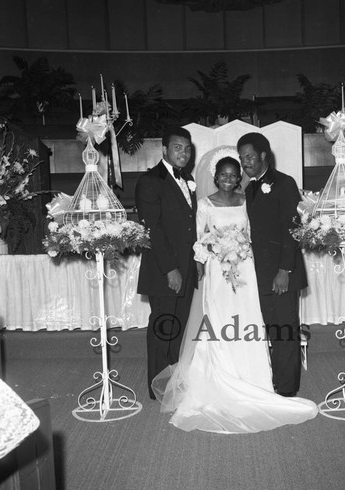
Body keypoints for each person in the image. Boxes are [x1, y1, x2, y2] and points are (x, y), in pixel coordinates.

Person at [151, 152, 318, 433]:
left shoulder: (247, 201)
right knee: (218, 322)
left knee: (249, 319)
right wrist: (205, 259)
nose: (228, 179)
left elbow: (255, 233)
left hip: (246, 269)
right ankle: (217, 378)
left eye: (233, 174)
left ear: (239, 178)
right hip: (218, 272)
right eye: (223, 174)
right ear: (215, 177)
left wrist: (241, 247)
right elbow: (198, 241)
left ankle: (255, 381)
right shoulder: (204, 204)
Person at [237, 132, 307, 397]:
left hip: (281, 273)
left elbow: (292, 229)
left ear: (264, 155)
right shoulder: (251, 186)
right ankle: (277, 380)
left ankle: (287, 390)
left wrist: (284, 270)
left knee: (285, 331)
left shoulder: (284, 183)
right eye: (242, 158)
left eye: (250, 156)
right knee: (273, 330)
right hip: (261, 273)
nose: (245, 162)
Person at [135, 126, 197, 399]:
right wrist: (171, 269)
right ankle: (157, 388)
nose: (183, 153)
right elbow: (154, 229)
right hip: (165, 269)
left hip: (187, 267)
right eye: (177, 147)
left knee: (179, 327)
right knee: (163, 327)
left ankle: (173, 381)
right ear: (164, 150)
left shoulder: (187, 178)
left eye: (187, 148)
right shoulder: (150, 180)